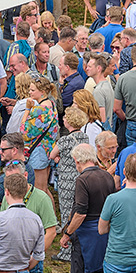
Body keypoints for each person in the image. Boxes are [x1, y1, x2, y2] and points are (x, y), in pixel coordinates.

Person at [60, 143, 114, 273]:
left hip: (85, 235)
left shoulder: (82, 180)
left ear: (77, 160)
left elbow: (80, 212)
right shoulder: (107, 176)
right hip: (104, 232)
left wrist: (67, 233)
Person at [50, 107, 90, 261]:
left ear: (70, 122)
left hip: (67, 180)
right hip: (81, 177)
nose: (63, 120)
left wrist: (58, 159)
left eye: (65, 118)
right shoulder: (85, 137)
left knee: (67, 213)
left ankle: (66, 251)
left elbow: (52, 154)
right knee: (79, 210)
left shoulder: (65, 140)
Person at [23, 77, 60, 194]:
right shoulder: (51, 104)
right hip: (48, 148)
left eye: (32, 90)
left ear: (42, 92)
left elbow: (24, 132)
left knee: (39, 191)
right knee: (44, 189)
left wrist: (27, 109)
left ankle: (46, 212)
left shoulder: (39, 109)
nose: (29, 92)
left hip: (38, 152)